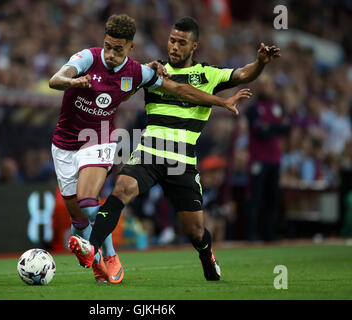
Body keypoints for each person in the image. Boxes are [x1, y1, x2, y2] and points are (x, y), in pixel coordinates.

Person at [68, 16, 280, 281]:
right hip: (149, 151)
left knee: (195, 232)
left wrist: (260, 62)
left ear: (194, 46)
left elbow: (242, 74)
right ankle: (94, 250)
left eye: (182, 43)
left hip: (182, 161)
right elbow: (124, 77)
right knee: (122, 189)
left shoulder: (208, 74)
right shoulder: (155, 72)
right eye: (172, 40)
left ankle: (207, 255)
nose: (174, 47)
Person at [245, 74, 290, 242]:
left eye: (269, 84)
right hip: (258, 159)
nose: (267, 88)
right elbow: (260, 133)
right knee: (255, 197)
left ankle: (269, 235)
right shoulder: (253, 109)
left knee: (272, 197)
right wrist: (275, 127)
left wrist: (270, 126)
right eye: (263, 85)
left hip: (274, 159)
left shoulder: (278, 107)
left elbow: (287, 128)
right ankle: (251, 236)